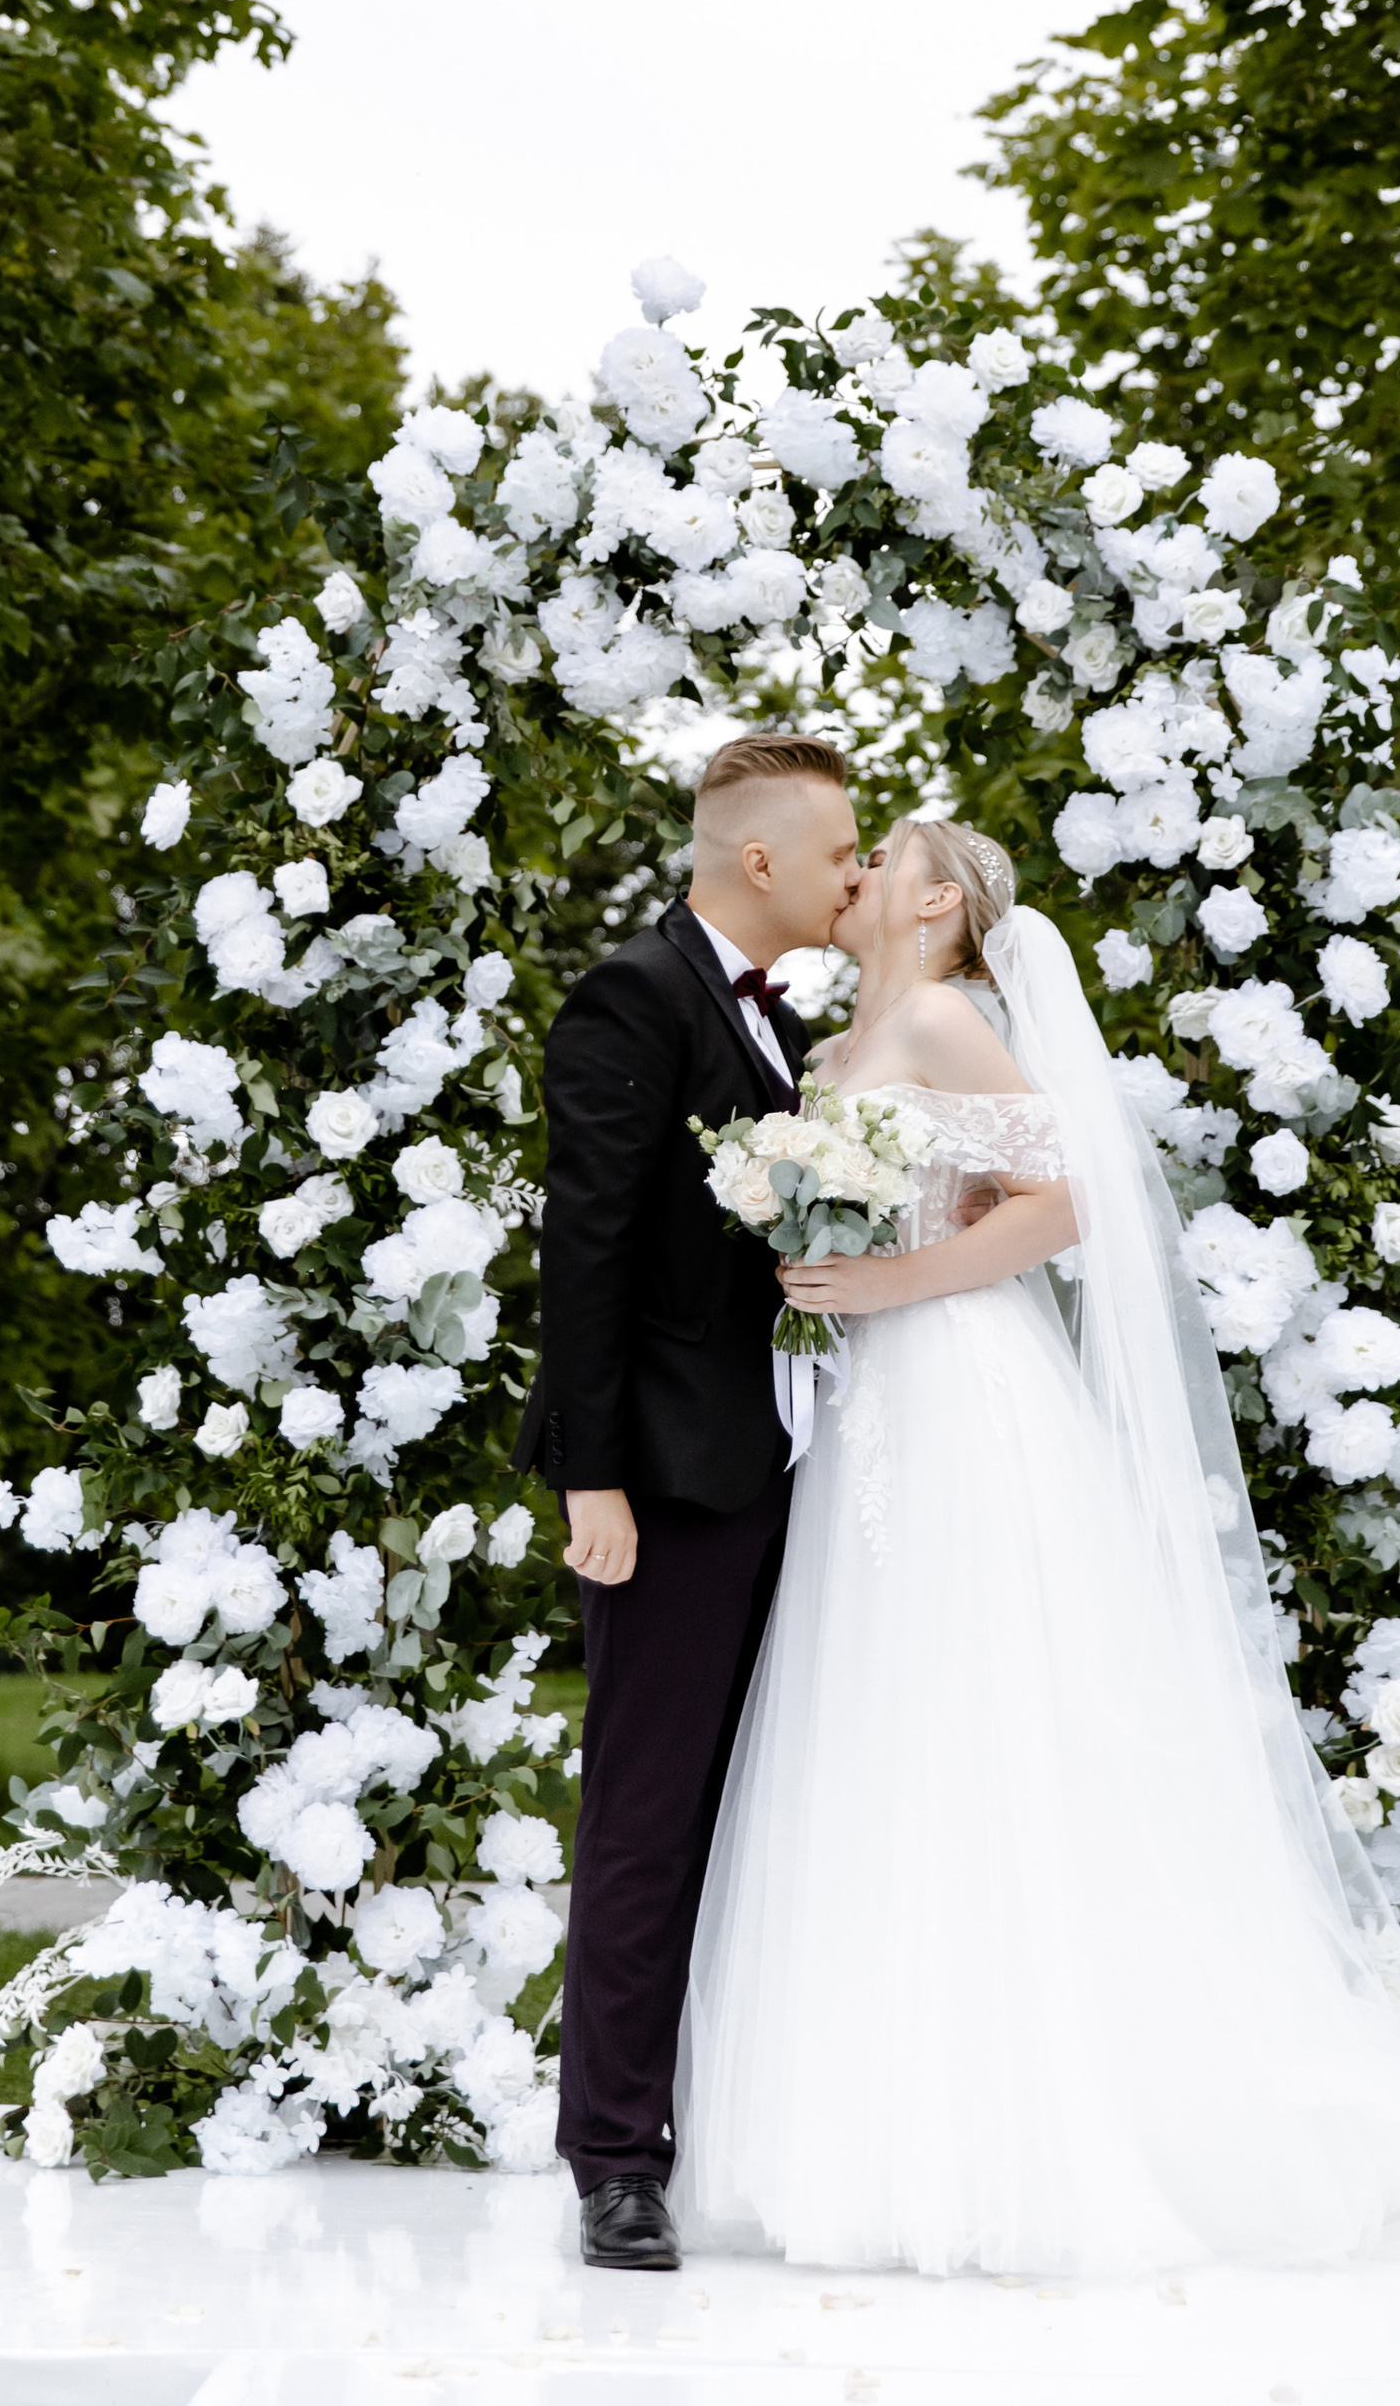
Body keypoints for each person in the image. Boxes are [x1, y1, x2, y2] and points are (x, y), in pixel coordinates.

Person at [673, 813, 1400, 2279]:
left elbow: (1065, 1204)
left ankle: (1031, 2138)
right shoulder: (851, 1036)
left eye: (885, 858)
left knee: (981, 1716)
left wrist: (895, 1280)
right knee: (877, 1721)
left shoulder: (941, 1019)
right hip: (866, 1412)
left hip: (958, 1386)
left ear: (937, 904)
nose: (854, 875)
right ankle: (884, 2133)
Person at [517, 729, 862, 2270]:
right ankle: (613, 2160)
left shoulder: (782, 1023)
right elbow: (583, 1246)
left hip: (781, 1465)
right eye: (839, 851)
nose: (854, 875)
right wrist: (592, 1475)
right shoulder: (634, 996)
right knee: (647, 1820)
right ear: (759, 858)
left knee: (751, 1813)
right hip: (667, 1478)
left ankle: (723, 2125)